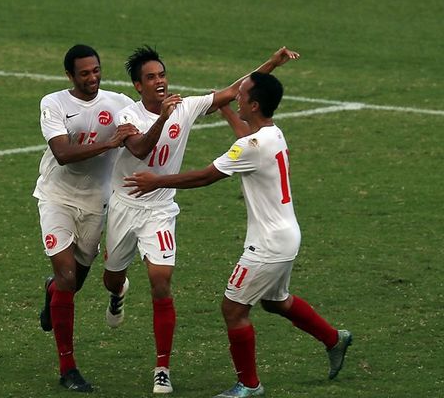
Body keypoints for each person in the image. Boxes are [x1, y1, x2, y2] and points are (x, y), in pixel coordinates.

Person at [123, 72, 352, 398]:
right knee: (275, 302)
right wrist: (227, 112)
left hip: (268, 245)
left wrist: (156, 181)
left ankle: (249, 384)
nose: (236, 96)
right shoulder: (271, 134)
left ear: (255, 104)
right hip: (287, 235)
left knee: (233, 310)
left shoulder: (251, 147)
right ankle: (334, 339)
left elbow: (205, 177)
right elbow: (246, 138)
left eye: (241, 95)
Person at [102, 46, 300, 394]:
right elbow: (139, 150)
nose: (160, 81)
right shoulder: (127, 117)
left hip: (160, 209)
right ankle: (117, 292)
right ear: (138, 85)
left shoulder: (186, 106)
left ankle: (162, 367)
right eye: (151, 77)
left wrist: (270, 63)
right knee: (112, 276)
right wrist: (163, 118)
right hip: (124, 206)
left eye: (162, 74)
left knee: (161, 281)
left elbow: (237, 90)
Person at [33, 44, 138, 393]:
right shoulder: (54, 103)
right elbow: (62, 153)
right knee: (66, 277)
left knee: (72, 284)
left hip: (96, 201)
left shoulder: (119, 103)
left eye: (96, 71)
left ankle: (52, 292)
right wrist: (110, 145)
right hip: (56, 198)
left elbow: (146, 126)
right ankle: (68, 368)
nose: (92, 78)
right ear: (70, 76)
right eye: (84, 73)